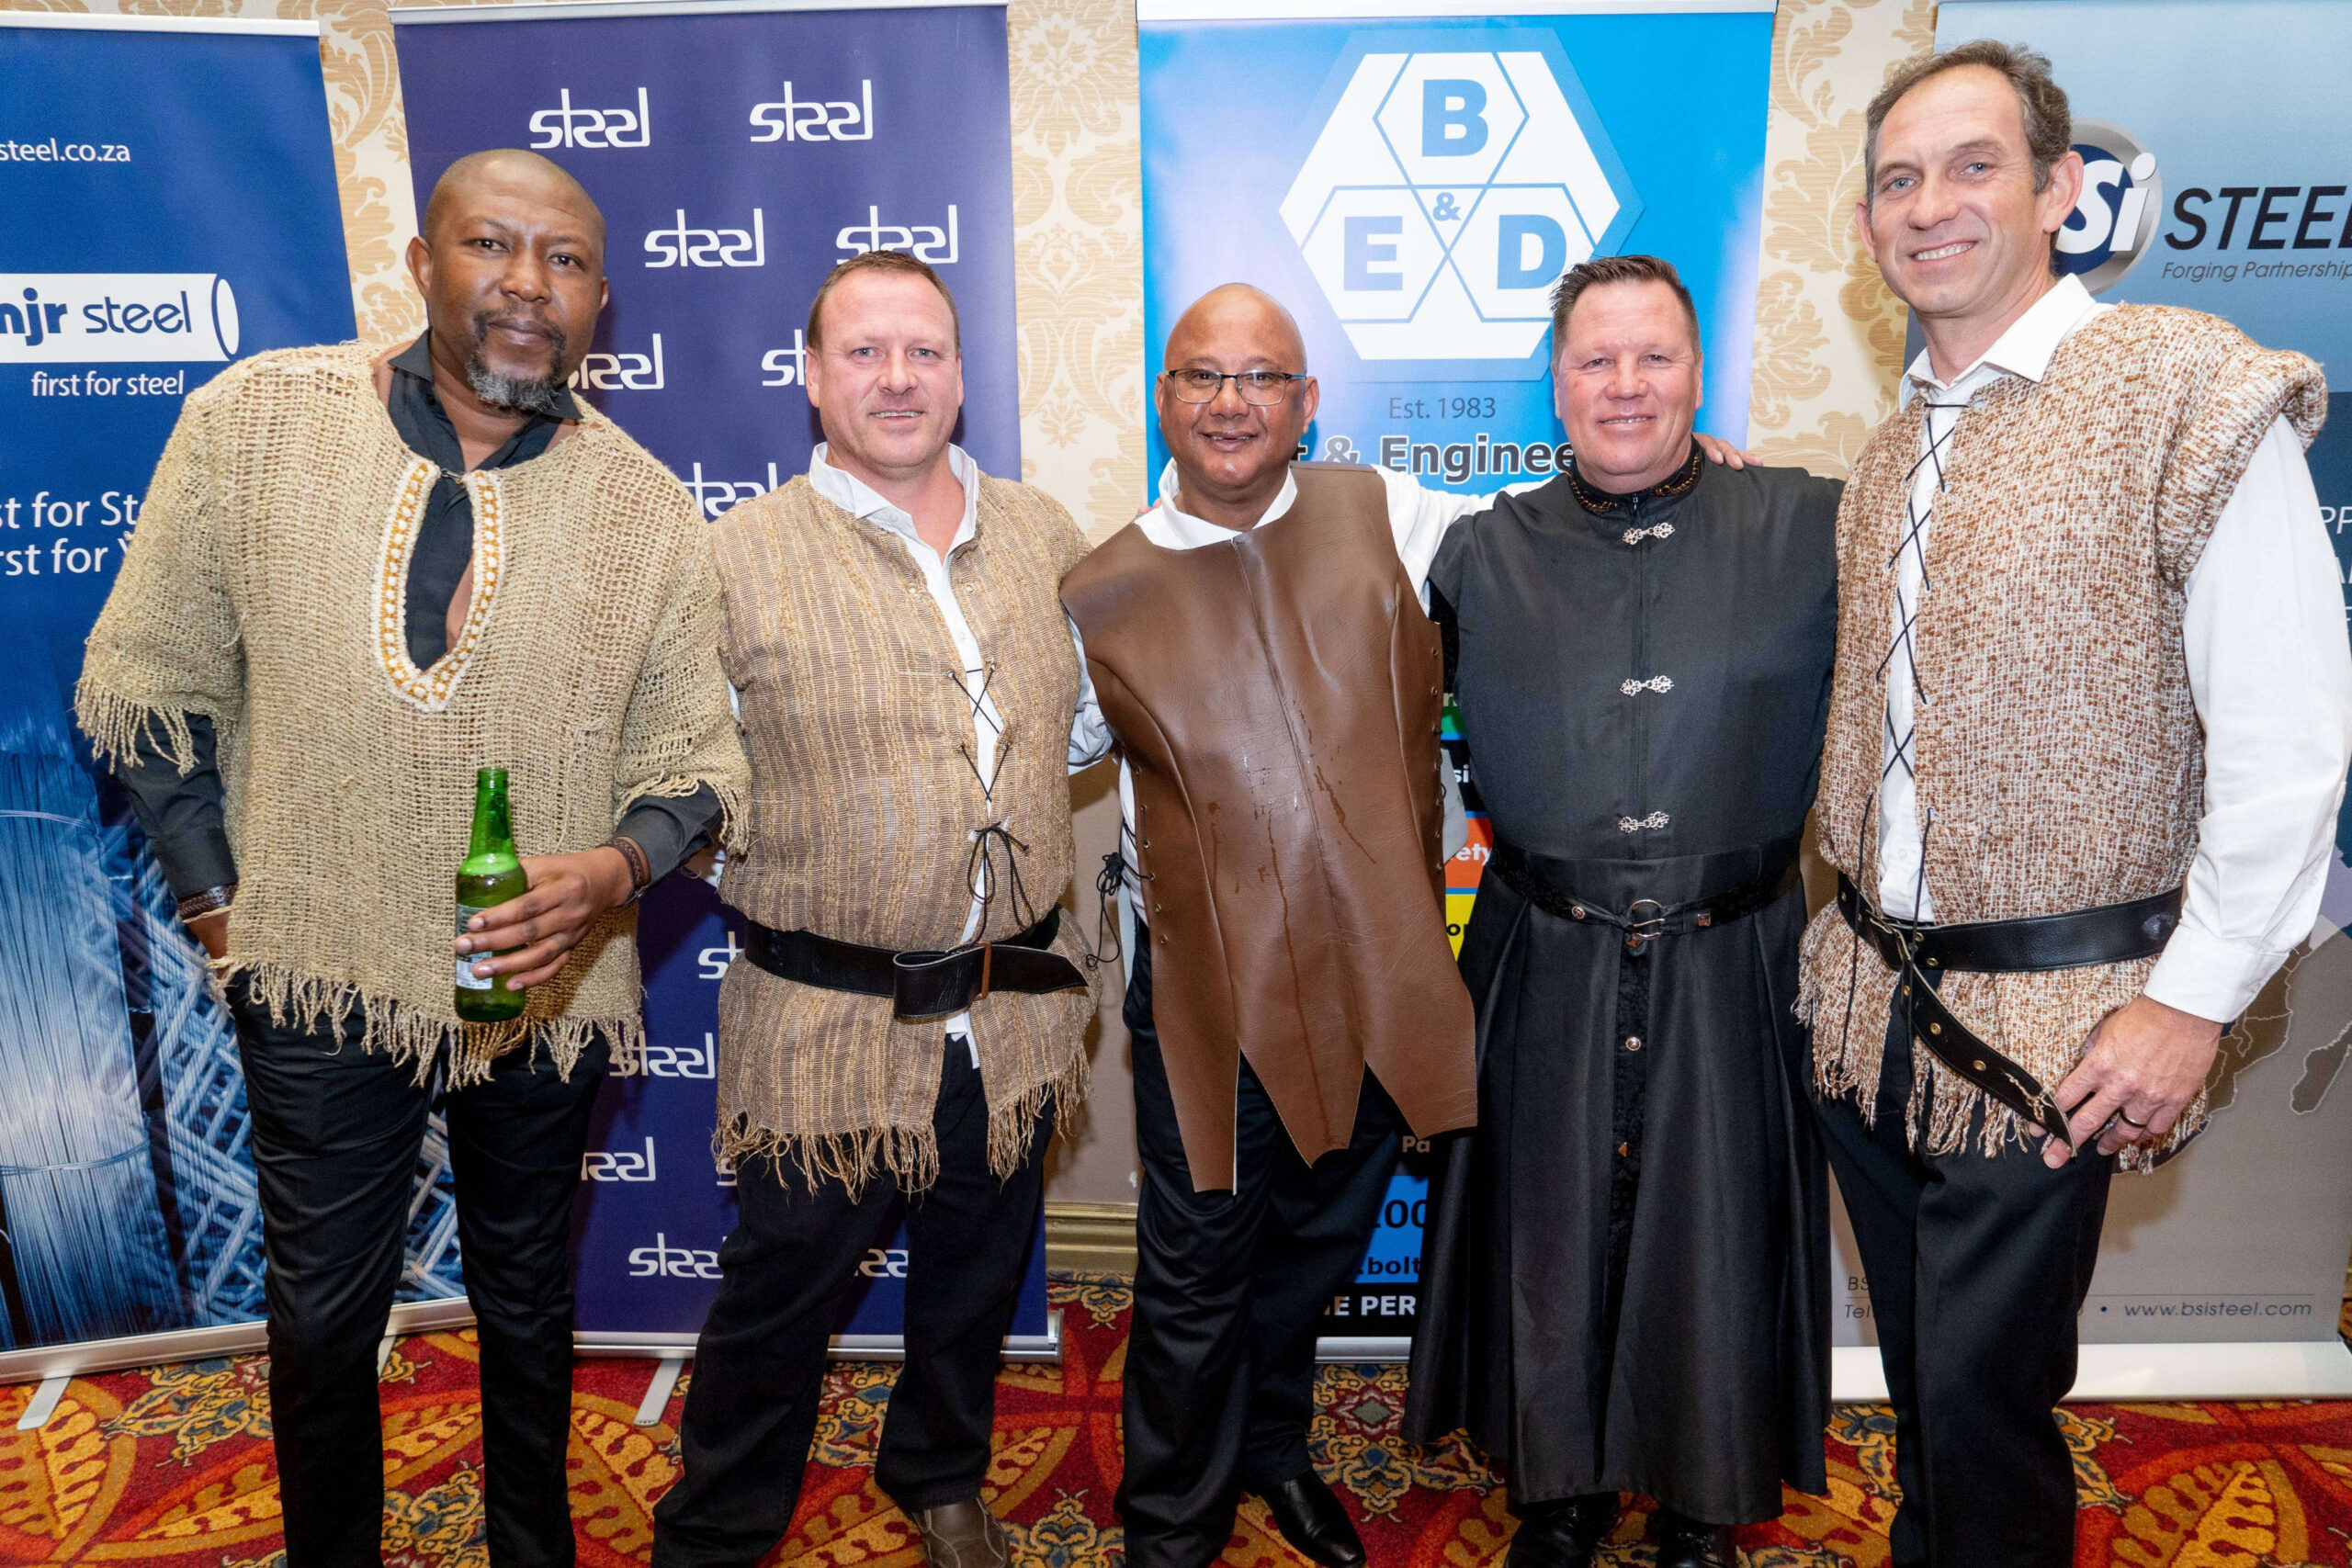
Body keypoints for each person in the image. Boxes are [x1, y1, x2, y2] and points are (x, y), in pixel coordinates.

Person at [76, 149, 746, 1568]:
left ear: (601, 301)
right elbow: (147, 678)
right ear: (424, 264)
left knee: (525, 1298)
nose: (527, 285)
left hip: (545, 976)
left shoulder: (645, 509)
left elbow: (697, 761)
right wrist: (221, 910)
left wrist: (613, 876)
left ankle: (529, 1547)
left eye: (565, 261)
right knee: (324, 1314)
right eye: (491, 246)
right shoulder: (255, 423)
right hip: (314, 964)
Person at [1796, 41, 2352, 1568]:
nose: (1931, 205)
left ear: (2058, 191)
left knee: (1984, 1408)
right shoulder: (1892, 445)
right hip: (1868, 1010)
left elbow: (2291, 736)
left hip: (2060, 1035)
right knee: (1929, 1384)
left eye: (1973, 166)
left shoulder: (2185, 388)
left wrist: (2194, 1000)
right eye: (1898, 180)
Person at [650, 249, 1103, 1568]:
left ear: (960, 373)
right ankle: (716, 1532)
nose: (897, 379)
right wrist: (820, 877)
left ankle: (939, 1471)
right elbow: (681, 778)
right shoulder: (731, 558)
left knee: (978, 1268)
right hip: (824, 1021)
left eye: (923, 352)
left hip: (1012, 1008)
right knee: (779, 1296)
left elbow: (1079, 725)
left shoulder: (1044, 532)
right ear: (811, 376)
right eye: (864, 352)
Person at [1404, 254, 1838, 1568]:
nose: (1627, 384)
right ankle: (1561, 1491)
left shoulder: (1812, 524)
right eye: (1597, 360)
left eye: (1656, 356)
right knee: (1547, 1230)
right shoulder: (1476, 552)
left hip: (1737, 950)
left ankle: (1702, 1505)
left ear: (1699, 374)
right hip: (1545, 946)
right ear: (1556, 384)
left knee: (1716, 1232)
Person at [1058, 283, 1497, 1568]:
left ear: (1308, 402)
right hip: (1207, 1003)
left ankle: (1272, 1448)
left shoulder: (1392, 513)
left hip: (1374, 975)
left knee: (1316, 1244)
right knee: (1197, 1272)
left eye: (1261, 378)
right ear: (1165, 399)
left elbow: (1552, 538)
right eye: (1204, 375)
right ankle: (1170, 1529)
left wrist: (1695, 470)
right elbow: (1040, 748)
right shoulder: (1098, 591)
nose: (1231, 402)